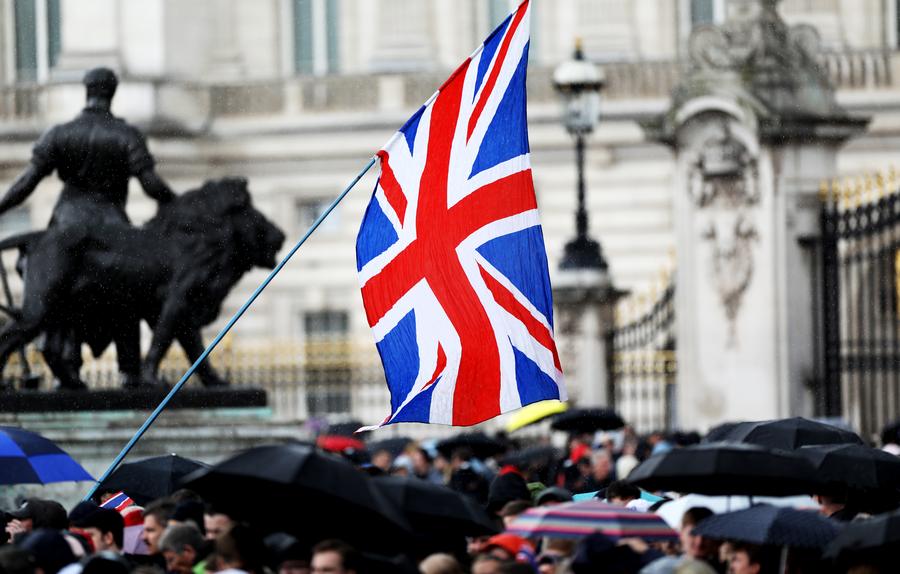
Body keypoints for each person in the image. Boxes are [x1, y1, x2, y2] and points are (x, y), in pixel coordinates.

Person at [0, 67, 174, 228]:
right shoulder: (128, 135)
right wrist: (178, 202)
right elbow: (151, 183)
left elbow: (26, 182)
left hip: (66, 220)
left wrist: (1, 207)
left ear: (87, 91)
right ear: (112, 93)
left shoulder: (57, 134)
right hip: (112, 223)